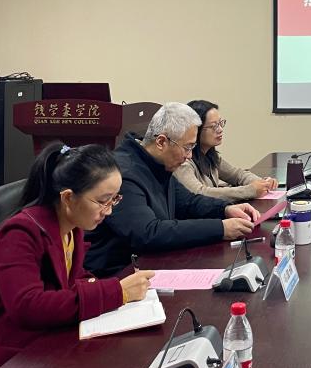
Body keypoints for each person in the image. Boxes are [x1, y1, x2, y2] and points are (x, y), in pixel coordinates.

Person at [0, 142, 156, 368]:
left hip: (38, 344)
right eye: (103, 201)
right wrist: (117, 292)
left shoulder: (71, 226)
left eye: (114, 199)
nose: (109, 210)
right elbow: (28, 305)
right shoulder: (19, 233)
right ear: (67, 198)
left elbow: (72, 281)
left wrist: (108, 290)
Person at [85, 102, 260, 277]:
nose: (189, 156)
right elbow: (147, 233)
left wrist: (225, 209)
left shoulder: (158, 163)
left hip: (151, 264)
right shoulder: (123, 173)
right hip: (117, 274)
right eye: (187, 147)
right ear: (161, 142)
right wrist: (220, 229)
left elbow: (188, 202)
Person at [174, 100, 278, 201]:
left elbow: (237, 175)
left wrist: (262, 183)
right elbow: (200, 193)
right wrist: (250, 190)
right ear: (196, 129)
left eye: (220, 123)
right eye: (214, 126)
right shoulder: (183, 162)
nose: (220, 129)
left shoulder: (209, 154)